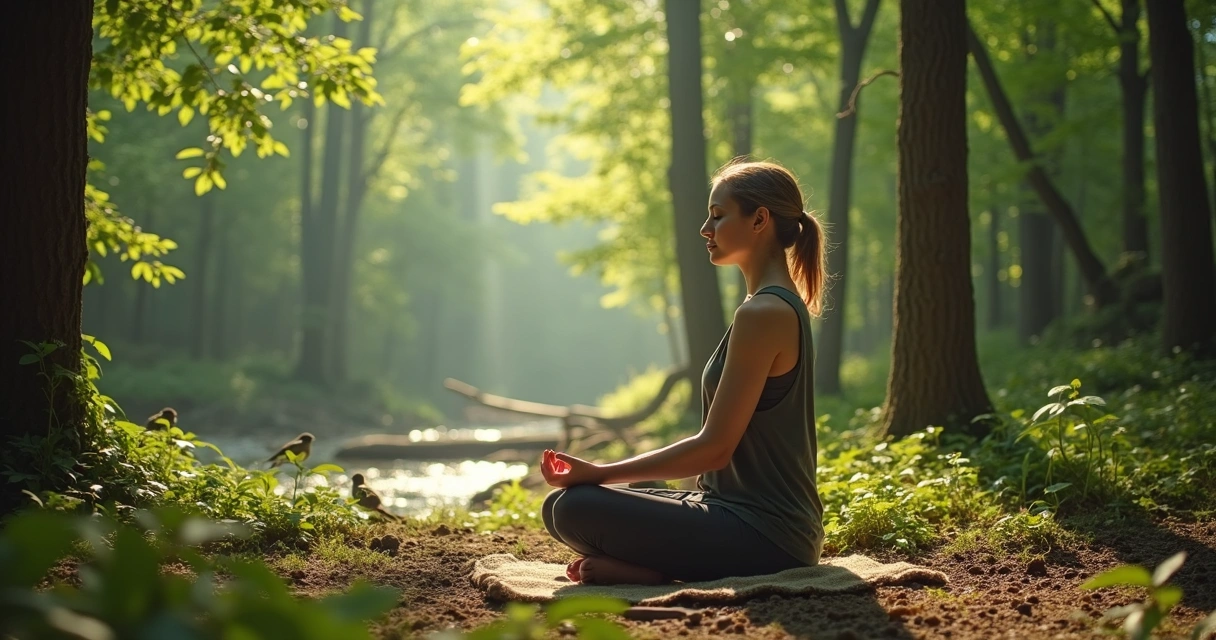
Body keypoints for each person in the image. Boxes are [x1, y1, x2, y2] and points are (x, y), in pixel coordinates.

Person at [540, 159, 827, 585]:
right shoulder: (772, 306)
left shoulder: (765, 312)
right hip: (736, 514)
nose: (704, 229)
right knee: (560, 506)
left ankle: (653, 572)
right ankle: (654, 566)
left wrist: (600, 472)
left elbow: (714, 449)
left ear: (760, 220)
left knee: (574, 508)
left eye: (717, 215)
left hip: (768, 534)